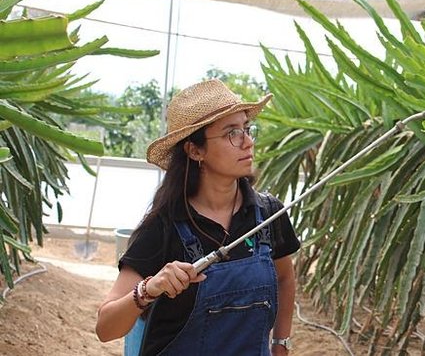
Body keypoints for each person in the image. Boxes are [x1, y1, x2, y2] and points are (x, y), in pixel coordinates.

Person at [96, 79, 300, 355]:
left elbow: (285, 278)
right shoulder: (164, 227)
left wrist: (280, 344)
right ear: (195, 150)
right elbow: (106, 327)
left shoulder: (266, 215)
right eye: (232, 133)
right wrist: (149, 288)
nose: (248, 142)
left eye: (247, 129)